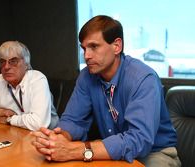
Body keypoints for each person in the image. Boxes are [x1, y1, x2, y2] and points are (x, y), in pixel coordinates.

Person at [31, 15, 181, 167]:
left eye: (94, 47)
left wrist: (73, 150)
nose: (86, 56)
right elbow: (73, 120)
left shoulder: (143, 78)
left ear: (117, 46)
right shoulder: (87, 76)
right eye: (84, 48)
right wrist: (59, 138)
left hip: (153, 153)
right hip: (113, 149)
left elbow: (138, 140)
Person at [0, 41, 58, 130]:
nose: (6, 67)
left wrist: (9, 119)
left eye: (13, 61)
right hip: (14, 133)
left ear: (26, 64)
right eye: (2, 62)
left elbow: (39, 124)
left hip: (47, 136)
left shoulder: (37, 79)